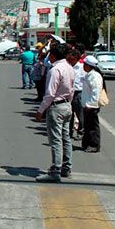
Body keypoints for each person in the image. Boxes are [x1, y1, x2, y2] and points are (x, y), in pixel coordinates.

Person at [35, 44, 75, 182]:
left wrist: (40, 111)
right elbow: (72, 89)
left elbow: (50, 94)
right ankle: (66, 167)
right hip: (67, 105)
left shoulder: (55, 70)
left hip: (56, 106)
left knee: (56, 140)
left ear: (52, 56)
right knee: (66, 138)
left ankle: (55, 170)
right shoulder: (69, 68)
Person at [81, 56, 104, 153]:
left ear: (88, 65)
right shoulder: (89, 74)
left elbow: (96, 91)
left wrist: (90, 105)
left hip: (91, 106)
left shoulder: (95, 76)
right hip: (87, 105)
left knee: (93, 127)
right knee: (87, 126)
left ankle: (94, 145)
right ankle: (87, 143)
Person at [67, 49, 85, 140]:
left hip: (79, 93)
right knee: (69, 114)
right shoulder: (68, 67)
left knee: (80, 114)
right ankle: (69, 132)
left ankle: (81, 131)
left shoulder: (82, 68)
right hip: (69, 93)